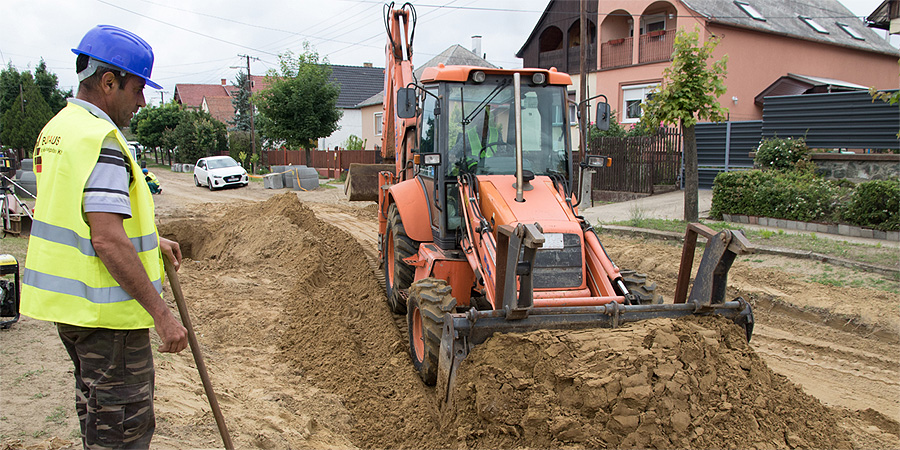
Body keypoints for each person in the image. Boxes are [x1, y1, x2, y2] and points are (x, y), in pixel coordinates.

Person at [20, 25, 188, 449]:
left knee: (97, 420)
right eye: (137, 89)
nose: (142, 101)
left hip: (73, 315)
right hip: (108, 320)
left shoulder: (59, 129)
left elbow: (80, 212)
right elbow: (108, 240)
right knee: (123, 434)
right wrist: (162, 315)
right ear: (109, 82)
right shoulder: (103, 140)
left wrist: (152, 237)